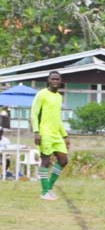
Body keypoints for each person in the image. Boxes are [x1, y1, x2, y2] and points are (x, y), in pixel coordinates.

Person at [31, 70, 69, 201]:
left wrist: (65, 135)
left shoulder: (59, 97)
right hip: (44, 133)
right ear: (48, 81)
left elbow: (58, 118)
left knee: (63, 160)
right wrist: (36, 132)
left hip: (56, 134)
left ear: (60, 81)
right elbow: (34, 114)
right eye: (53, 79)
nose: (55, 81)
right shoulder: (41, 94)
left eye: (57, 79)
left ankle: (49, 188)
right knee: (46, 162)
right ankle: (45, 191)